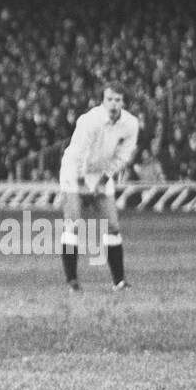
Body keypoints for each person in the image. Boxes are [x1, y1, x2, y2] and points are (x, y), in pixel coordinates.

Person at [58, 84, 139, 292]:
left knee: (112, 225)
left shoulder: (130, 124)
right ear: (103, 101)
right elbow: (80, 153)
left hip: (100, 172)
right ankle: (72, 282)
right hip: (74, 168)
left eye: (118, 100)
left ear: (123, 102)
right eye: (109, 99)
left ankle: (119, 282)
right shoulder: (89, 120)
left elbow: (123, 156)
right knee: (73, 222)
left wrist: (103, 181)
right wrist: (85, 185)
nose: (113, 104)